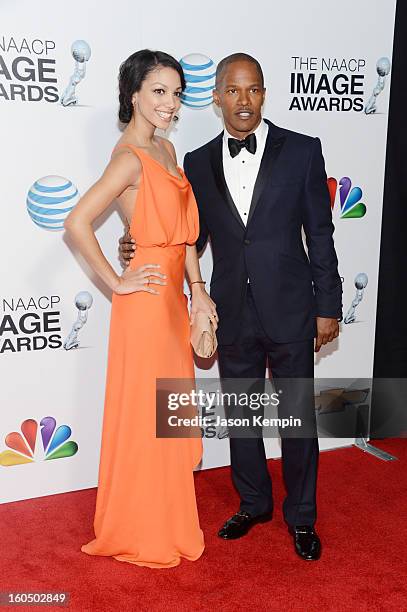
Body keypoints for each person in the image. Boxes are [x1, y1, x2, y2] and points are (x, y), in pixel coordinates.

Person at [120, 53, 342, 561]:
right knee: (243, 418)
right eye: (234, 91)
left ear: (264, 94)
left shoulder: (303, 151)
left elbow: (320, 233)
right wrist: (137, 246)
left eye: (254, 90)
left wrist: (327, 305)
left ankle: (301, 516)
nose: (245, 101)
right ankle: (254, 502)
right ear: (216, 97)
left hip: (291, 308)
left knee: (296, 419)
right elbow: (188, 238)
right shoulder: (195, 162)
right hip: (230, 312)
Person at [64, 49, 217, 568]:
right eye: (158, 91)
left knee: (168, 415)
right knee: (153, 417)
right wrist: (116, 283)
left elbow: (186, 239)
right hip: (147, 306)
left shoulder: (168, 151)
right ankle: (142, 527)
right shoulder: (129, 157)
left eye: (176, 93)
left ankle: (167, 519)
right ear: (133, 95)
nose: (170, 103)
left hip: (174, 300)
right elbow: (77, 222)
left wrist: (199, 292)